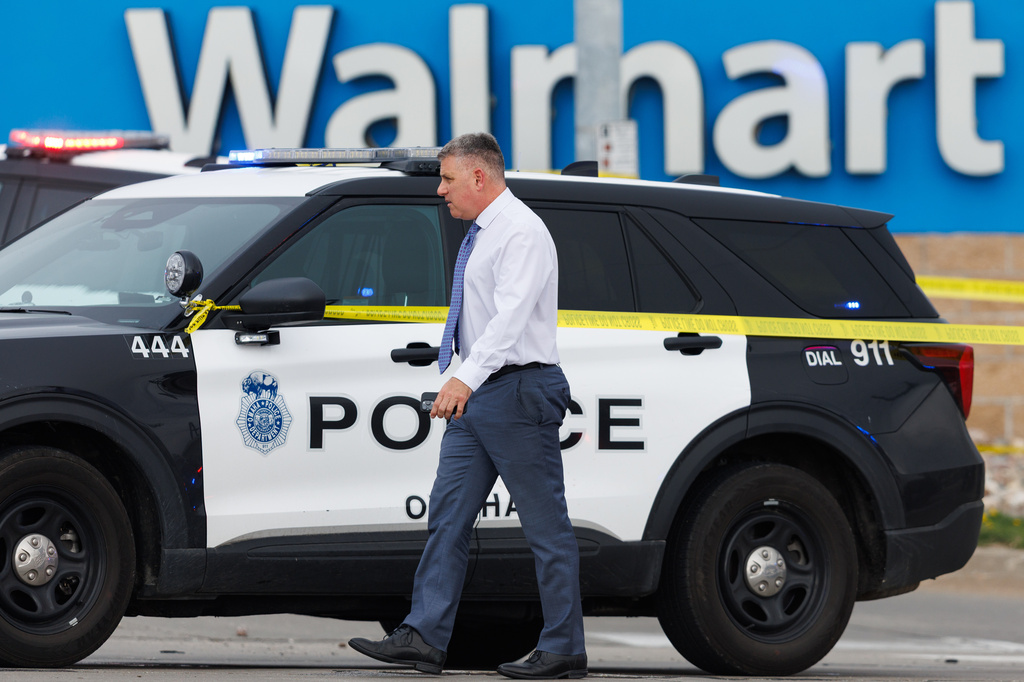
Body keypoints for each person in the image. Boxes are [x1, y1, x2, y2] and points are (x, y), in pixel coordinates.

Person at [348, 132, 586, 679]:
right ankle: (424, 637)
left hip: (518, 389)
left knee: (545, 528)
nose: (440, 190)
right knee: (448, 517)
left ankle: (564, 647)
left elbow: (507, 322)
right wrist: (462, 379)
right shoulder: (483, 233)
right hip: (481, 392)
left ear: (480, 177)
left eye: (449, 178)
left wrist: (463, 380)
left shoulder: (521, 231)